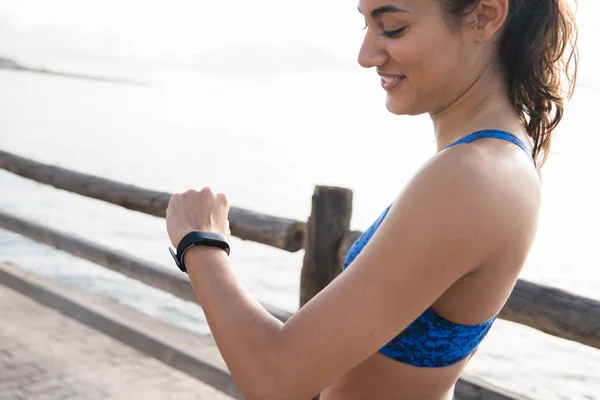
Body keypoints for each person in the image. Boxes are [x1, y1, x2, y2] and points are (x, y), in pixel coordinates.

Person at [165, 0, 578, 398]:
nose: (366, 55)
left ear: (484, 16)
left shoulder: (474, 176)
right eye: (366, 24)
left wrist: (201, 241)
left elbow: (274, 378)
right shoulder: (502, 158)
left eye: (393, 27)